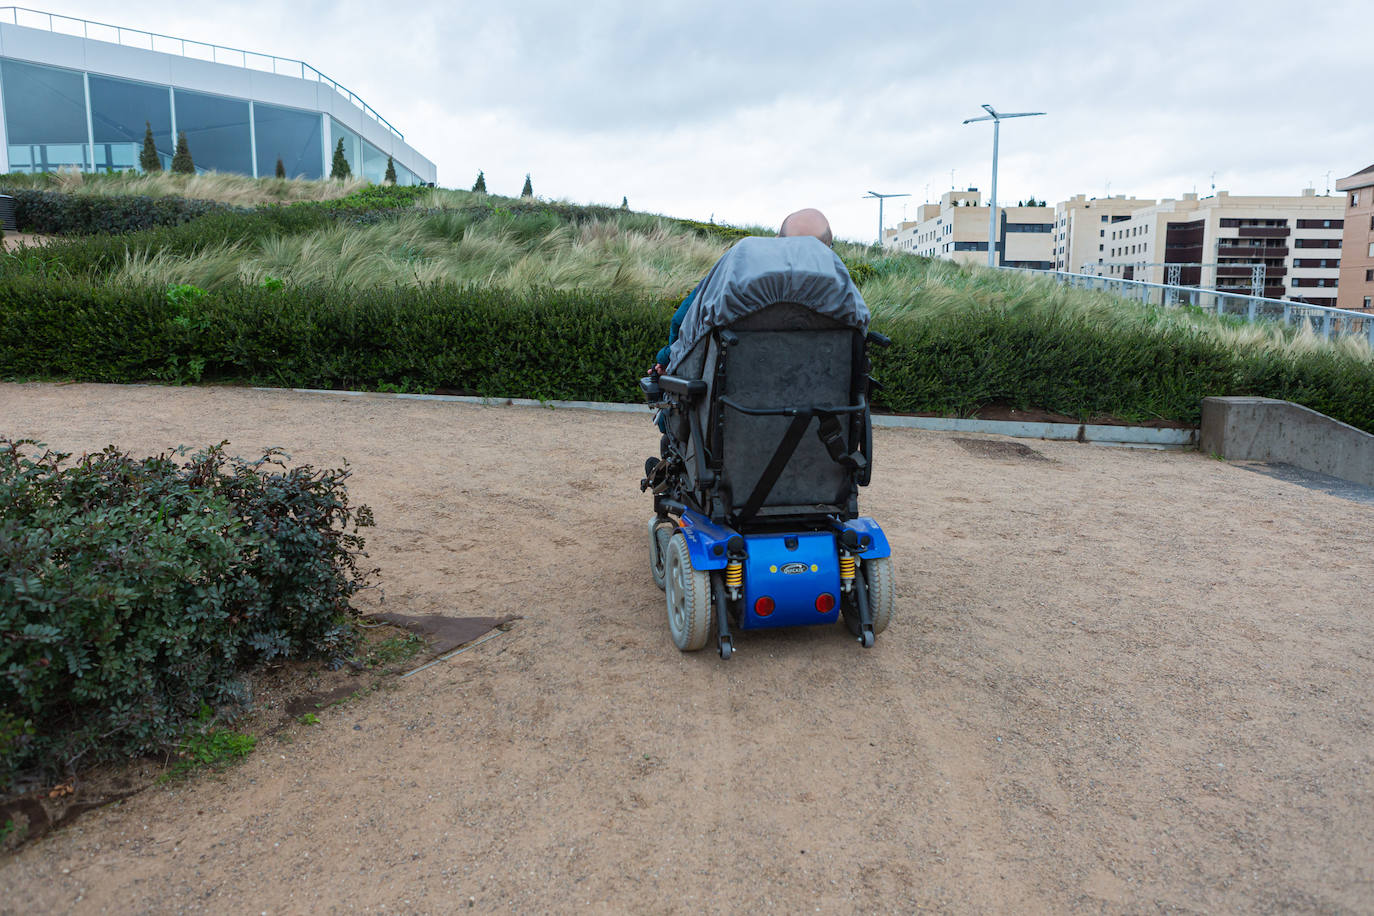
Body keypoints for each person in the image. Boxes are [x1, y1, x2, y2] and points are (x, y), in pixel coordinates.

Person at [652, 208, 834, 369]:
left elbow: (684, 323)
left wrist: (668, 359)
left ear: (777, 241)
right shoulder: (840, 297)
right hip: (826, 402)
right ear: (828, 249)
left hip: (732, 399)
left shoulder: (733, 278)